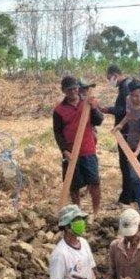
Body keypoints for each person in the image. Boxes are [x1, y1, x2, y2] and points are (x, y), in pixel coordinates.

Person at [53, 76, 103, 214]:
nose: (73, 91)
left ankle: (96, 212)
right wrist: (64, 150)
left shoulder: (87, 103)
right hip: (71, 153)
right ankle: (77, 211)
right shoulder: (58, 110)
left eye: (75, 88)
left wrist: (94, 108)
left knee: (94, 182)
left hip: (88, 150)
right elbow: (57, 133)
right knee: (73, 185)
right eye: (69, 89)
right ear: (63, 91)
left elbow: (99, 121)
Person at [114, 80, 140, 210]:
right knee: (134, 176)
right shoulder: (128, 100)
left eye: (137, 96)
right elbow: (129, 115)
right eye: (132, 95)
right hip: (131, 141)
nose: (134, 98)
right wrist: (120, 125)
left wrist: (137, 151)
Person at [49, 204, 102, 279]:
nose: (81, 223)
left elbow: (89, 267)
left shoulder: (83, 242)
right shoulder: (60, 254)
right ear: (66, 227)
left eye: (81, 219)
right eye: (76, 221)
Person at [100, 65, 133, 207]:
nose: (109, 81)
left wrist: (106, 109)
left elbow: (124, 110)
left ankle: (126, 198)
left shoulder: (125, 87)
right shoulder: (127, 85)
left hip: (125, 131)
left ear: (115, 75)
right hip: (127, 130)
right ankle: (131, 195)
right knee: (128, 164)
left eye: (109, 78)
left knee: (125, 165)